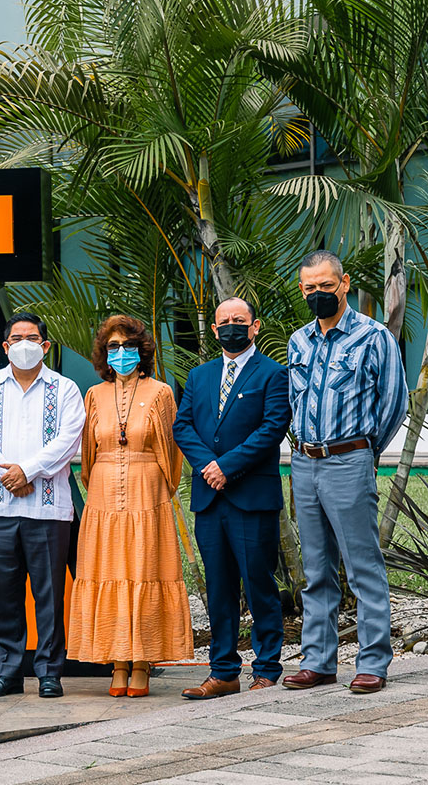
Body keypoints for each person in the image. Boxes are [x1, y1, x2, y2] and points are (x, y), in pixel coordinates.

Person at [284, 251, 408, 694]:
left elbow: (394, 402)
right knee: (317, 571)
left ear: (345, 283)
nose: (318, 294)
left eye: (326, 286)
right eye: (310, 288)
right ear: (303, 290)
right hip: (304, 464)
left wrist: (364, 453)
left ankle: (373, 662)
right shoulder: (298, 342)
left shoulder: (374, 337)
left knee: (362, 567)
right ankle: (318, 661)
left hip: (349, 460)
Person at [67, 315, 193, 697]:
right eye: (113, 347)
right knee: (108, 571)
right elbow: (89, 457)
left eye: (128, 346)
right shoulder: (93, 395)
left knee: (144, 569)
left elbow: (172, 455)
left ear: (143, 350)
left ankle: (142, 662)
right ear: (104, 354)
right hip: (103, 497)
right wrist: (103, 487)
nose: (121, 354)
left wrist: (157, 489)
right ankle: (117, 662)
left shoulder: (160, 393)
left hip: (148, 494)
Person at [173, 298, 291, 698]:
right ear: (214, 329)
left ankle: (267, 669)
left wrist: (228, 466)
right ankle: (223, 672)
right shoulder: (200, 375)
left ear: (254, 326)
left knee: (260, 585)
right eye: (224, 322)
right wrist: (210, 466)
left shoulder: (273, 374)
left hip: (251, 498)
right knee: (219, 589)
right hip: (210, 499)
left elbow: (273, 427)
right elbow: (183, 426)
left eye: (238, 321)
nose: (230, 327)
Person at [0, 313, 84, 699]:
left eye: (33, 337)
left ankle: (49, 672)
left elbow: (68, 438)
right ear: (6, 346)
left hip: (48, 511)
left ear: (45, 346)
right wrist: (7, 477)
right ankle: (9, 672)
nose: (25, 343)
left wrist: (27, 471)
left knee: (48, 594)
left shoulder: (65, 390)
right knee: (6, 595)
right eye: (17, 337)